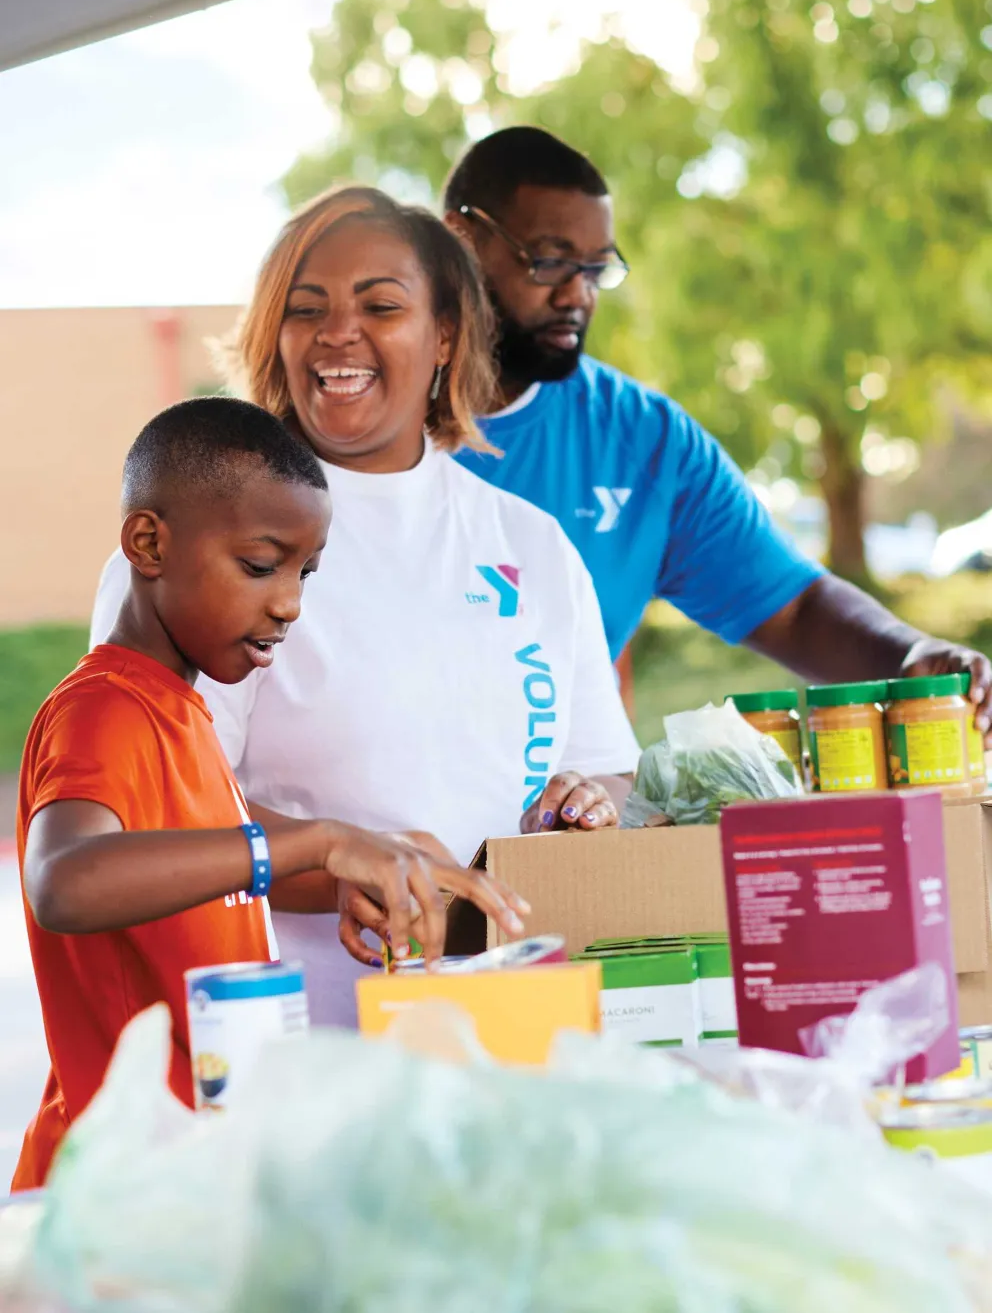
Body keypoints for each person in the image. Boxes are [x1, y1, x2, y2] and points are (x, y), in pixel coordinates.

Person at [90, 189, 639, 1026]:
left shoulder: (531, 544)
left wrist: (585, 802)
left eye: (380, 306)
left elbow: (605, 763)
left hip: (505, 1026)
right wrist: (343, 865)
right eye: (306, 309)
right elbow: (160, 818)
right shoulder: (199, 547)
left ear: (446, 334)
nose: (338, 333)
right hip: (287, 1042)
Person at [17, 397, 527, 1192]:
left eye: (305, 573)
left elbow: (210, 852)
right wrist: (321, 840)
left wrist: (347, 874)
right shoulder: (103, 711)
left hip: (197, 1176)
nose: (289, 604)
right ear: (148, 544)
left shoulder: (182, 712)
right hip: (118, 1192)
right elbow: (64, 882)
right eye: (260, 567)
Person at [444, 126, 992, 732]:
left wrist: (910, 654)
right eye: (549, 262)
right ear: (458, 240)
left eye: (596, 270)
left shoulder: (642, 440)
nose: (578, 295)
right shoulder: (375, 416)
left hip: (567, 790)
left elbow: (792, 607)